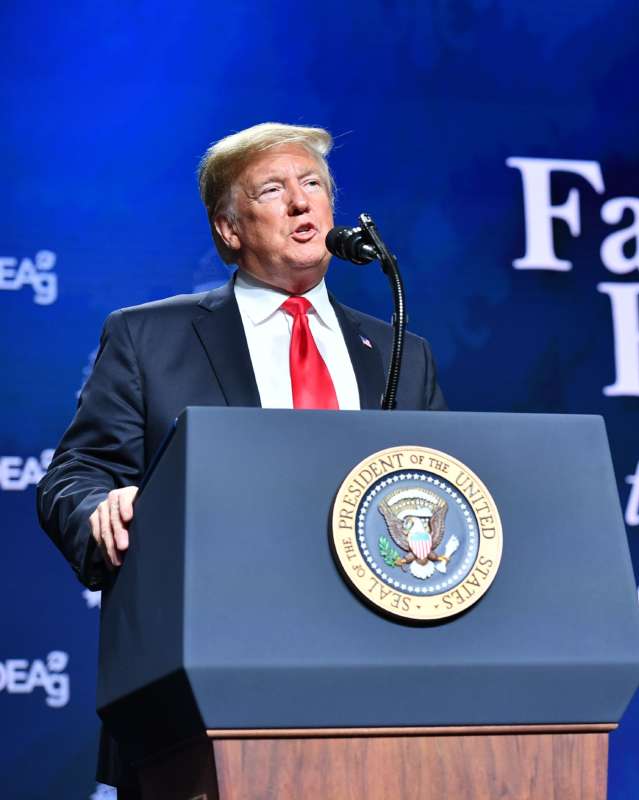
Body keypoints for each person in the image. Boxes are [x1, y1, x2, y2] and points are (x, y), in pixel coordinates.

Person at [36, 122, 447, 795]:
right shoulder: (148, 338)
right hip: (205, 695)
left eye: (313, 184)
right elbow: (73, 478)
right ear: (229, 229)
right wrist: (99, 508)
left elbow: (444, 490)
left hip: (381, 691)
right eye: (273, 190)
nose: (301, 202)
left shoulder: (402, 351)